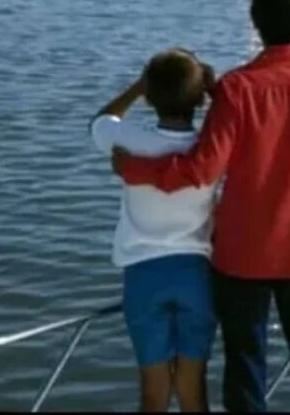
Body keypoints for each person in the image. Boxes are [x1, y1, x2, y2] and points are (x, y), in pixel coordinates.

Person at [113, 0, 290, 412]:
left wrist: (135, 169)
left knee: (246, 366)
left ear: (255, 21)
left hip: (242, 257)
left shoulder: (237, 89)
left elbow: (202, 168)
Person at [90, 48, 218, 413]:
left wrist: (136, 88)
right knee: (194, 392)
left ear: (150, 94)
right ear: (198, 97)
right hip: (197, 275)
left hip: (145, 277)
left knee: (153, 393)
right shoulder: (210, 148)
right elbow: (238, 124)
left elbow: (100, 121)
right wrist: (213, 90)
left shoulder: (128, 140)